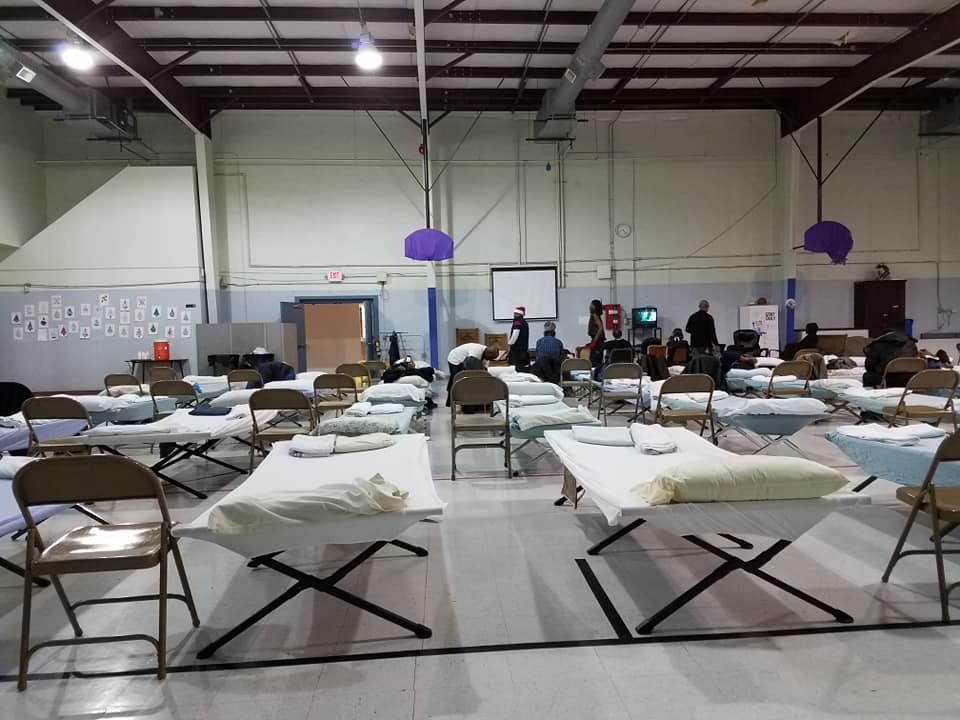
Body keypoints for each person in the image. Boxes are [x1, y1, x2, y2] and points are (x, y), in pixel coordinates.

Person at [587, 299, 606, 378]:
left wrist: (594, 341)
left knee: (595, 361)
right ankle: (597, 376)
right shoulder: (595, 315)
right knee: (596, 360)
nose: (590, 306)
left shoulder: (594, 315)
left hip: (597, 341)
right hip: (597, 340)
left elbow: (600, 328)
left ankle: (596, 377)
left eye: (592, 305)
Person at [507, 306, 530, 371]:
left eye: (515, 313)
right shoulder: (524, 322)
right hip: (523, 348)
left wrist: (510, 343)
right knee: (523, 366)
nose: (514, 315)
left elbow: (515, 334)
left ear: (518, 314)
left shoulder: (517, 322)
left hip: (517, 349)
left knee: (515, 366)